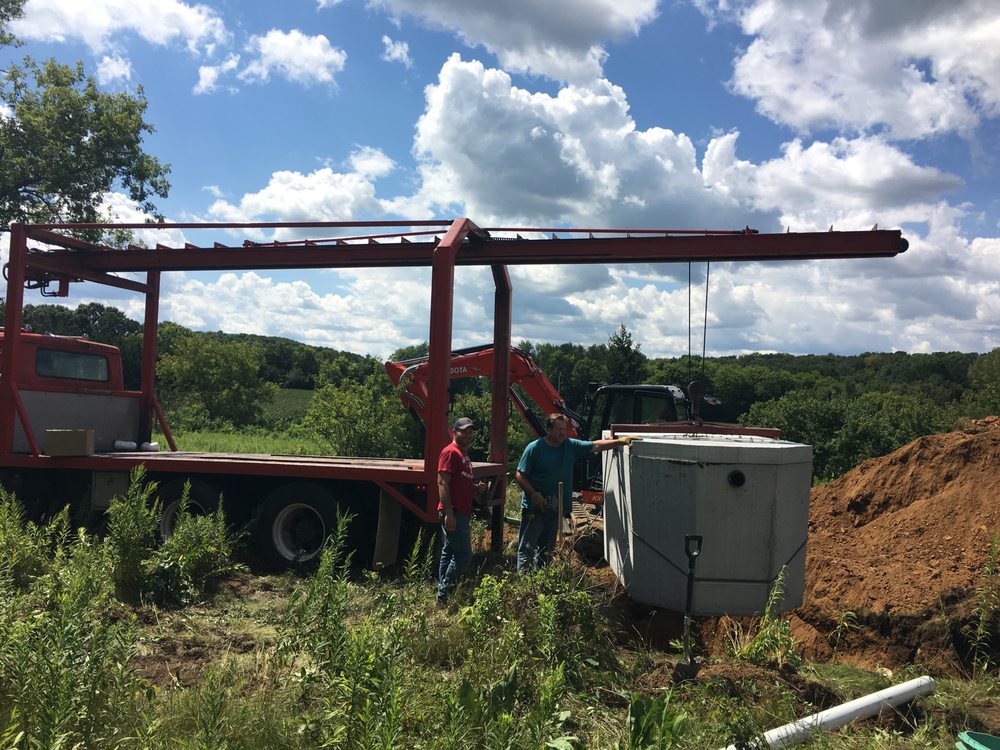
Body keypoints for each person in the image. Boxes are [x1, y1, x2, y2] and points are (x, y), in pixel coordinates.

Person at [515, 413, 634, 572]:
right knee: (528, 547)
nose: (563, 433)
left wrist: (619, 442)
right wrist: (534, 494)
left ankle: (540, 581)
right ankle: (524, 584)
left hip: (555, 507)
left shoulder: (569, 446)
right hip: (535, 507)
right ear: (548, 429)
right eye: (559, 430)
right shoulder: (535, 448)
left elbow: (596, 445)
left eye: (564, 429)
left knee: (547, 548)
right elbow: (520, 475)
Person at [436, 416, 485, 604]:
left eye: (470, 431)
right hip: (454, 511)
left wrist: (474, 488)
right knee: (464, 555)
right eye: (463, 431)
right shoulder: (450, 452)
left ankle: (443, 594)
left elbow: (459, 481)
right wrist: (449, 513)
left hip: (461, 510)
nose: (467, 434)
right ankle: (445, 593)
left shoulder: (463, 454)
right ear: (454, 431)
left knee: (449, 551)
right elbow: (442, 483)